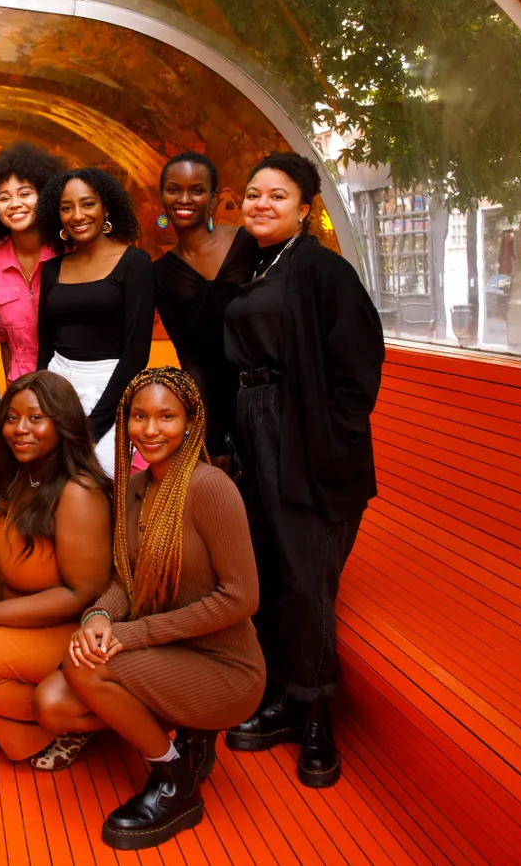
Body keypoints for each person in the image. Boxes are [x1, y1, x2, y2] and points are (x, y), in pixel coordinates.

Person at [38, 368, 264, 850]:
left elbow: (242, 598)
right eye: (139, 416)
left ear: (191, 422)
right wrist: (99, 617)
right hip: (169, 653)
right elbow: (128, 578)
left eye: (167, 416)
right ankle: (188, 735)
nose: (150, 429)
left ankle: (175, 781)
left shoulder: (211, 487)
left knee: (86, 671)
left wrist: (133, 635)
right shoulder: (135, 487)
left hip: (225, 666)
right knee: (57, 696)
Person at [220, 152, 384, 789]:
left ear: (305, 209)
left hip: (304, 434)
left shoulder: (322, 270)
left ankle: (316, 718)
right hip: (254, 424)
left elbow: (359, 367)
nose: (261, 204)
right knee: (264, 567)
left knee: (305, 576)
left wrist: (330, 443)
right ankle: (283, 700)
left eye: (278, 196)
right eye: (253, 194)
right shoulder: (254, 263)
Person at [0, 371, 112, 771]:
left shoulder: (78, 492)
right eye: (12, 418)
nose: (20, 429)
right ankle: (49, 723)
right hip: (20, 621)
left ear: (63, 423)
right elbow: (0, 566)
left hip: (67, 630)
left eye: (36, 418)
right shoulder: (22, 477)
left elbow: (81, 594)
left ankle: (78, 716)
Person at [36, 167, 155, 477]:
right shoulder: (52, 269)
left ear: (106, 208)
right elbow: (45, 347)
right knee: (52, 488)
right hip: (57, 389)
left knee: (99, 487)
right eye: (66, 208)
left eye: (88, 204)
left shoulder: (135, 263)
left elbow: (136, 353)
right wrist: (41, 401)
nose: (77, 215)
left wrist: (94, 426)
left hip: (110, 390)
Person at [153, 153, 258, 456]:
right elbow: (188, 357)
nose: (184, 199)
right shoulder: (160, 274)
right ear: (162, 197)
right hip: (215, 402)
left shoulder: (248, 242)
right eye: (174, 189)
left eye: (197, 190)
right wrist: (210, 434)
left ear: (213, 199)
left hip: (266, 395)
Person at [0, 142, 64, 382]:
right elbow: (3, 339)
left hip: (69, 383)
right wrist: (12, 393)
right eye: (4, 198)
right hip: (21, 385)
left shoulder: (68, 253)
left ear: (45, 196)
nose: (14, 204)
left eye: (25, 194)